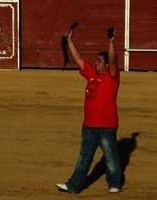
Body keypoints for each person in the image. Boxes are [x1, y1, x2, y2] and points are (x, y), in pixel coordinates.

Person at [56, 26, 121, 194]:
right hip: (89, 126)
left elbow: (113, 60)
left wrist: (111, 42)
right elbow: (78, 58)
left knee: (111, 157)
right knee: (84, 157)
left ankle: (115, 184)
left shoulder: (112, 76)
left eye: (99, 61)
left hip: (107, 126)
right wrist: (69, 40)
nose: (96, 62)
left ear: (107, 65)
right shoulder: (91, 73)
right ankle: (74, 186)